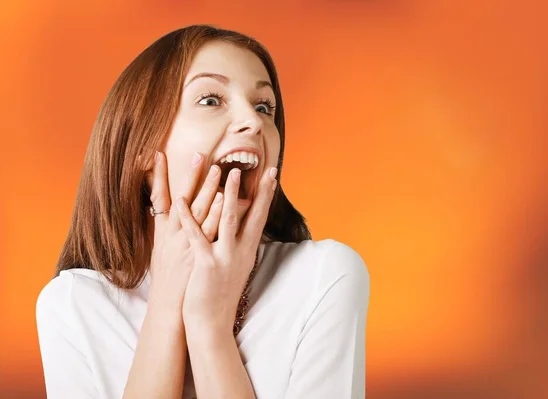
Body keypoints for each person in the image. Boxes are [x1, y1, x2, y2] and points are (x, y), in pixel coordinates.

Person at [35, 25, 370, 399]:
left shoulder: (324, 278)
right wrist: (166, 310)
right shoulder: (74, 307)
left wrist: (208, 326)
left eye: (264, 107)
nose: (254, 121)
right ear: (142, 149)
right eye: (211, 100)